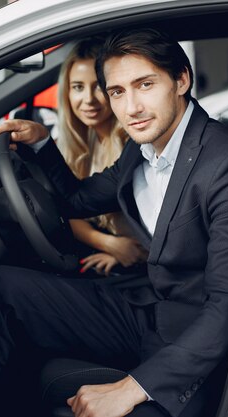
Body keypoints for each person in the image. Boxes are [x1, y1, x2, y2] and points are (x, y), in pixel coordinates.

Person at [0, 28, 228, 417]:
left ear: (182, 79)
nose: (131, 108)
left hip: (193, 338)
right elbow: (77, 200)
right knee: (3, 288)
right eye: (117, 92)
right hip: (148, 308)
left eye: (145, 85)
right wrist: (43, 143)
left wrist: (133, 387)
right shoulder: (142, 145)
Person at [56, 38, 147, 275]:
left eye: (98, 86)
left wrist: (123, 252)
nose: (88, 99)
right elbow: (64, 205)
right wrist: (108, 244)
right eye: (77, 87)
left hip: (144, 266)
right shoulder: (81, 144)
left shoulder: (134, 145)